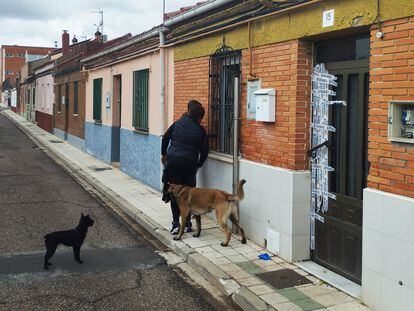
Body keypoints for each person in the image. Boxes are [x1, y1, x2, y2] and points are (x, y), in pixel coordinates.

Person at [161, 100, 209, 234]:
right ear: (200, 117)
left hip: (174, 163)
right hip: (190, 165)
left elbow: (165, 139)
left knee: (175, 194)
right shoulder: (201, 131)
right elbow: (205, 151)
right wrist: (199, 165)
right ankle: (187, 223)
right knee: (189, 195)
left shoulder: (177, 124)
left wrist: (164, 154)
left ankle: (176, 224)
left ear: (189, 111)